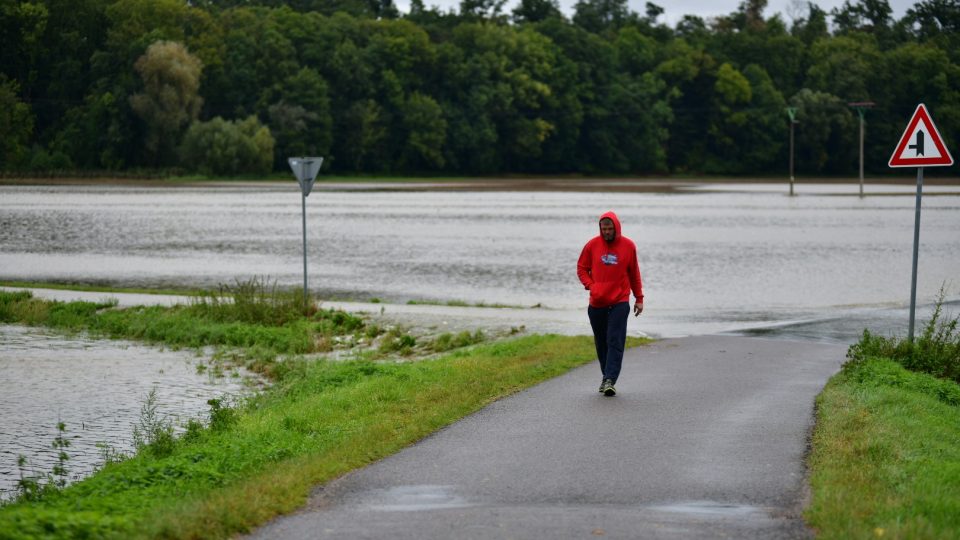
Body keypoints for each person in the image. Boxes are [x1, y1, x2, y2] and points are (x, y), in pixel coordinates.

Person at [577, 211, 644, 396]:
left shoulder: (628, 246)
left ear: (616, 228)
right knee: (601, 342)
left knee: (615, 339)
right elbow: (582, 268)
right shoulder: (592, 245)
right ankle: (606, 377)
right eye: (603, 228)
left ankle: (609, 380)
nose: (606, 232)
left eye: (609, 228)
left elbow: (634, 274)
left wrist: (639, 298)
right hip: (597, 302)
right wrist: (591, 285)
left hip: (619, 301)